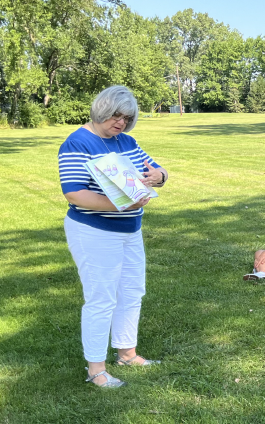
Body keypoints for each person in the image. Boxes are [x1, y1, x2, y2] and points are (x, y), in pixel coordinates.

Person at [58, 85, 169, 388]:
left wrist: (159, 176)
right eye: (115, 115)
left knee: (132, 291)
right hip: (94, 230)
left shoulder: (125, 141)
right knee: (101, 298)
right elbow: (74, 192)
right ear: (101, 110)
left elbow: (155, 169)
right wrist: (120, 205)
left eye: (127, 117)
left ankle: (127, 353)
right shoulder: (78, 142)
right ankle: (96, 370)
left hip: (130, 229)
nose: (120, 122)